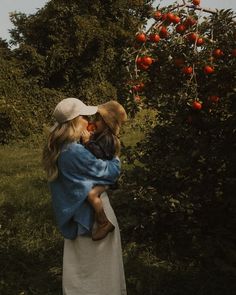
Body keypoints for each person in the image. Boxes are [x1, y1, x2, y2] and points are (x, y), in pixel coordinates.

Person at [42, 97, 127, 295]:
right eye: (84, 116)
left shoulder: (58, 149)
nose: (88, 119)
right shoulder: (75, 152)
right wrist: (115, 158)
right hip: (91, 219)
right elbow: (111, 171)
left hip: (75, 216)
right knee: (101, 272)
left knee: (80, 272)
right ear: (75, 121)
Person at [81, 100, 127, 241]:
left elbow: (101, 154)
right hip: (102, 174)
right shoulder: (101, 135)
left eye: (99, 120)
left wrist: (88, 142)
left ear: (108, 124)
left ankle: (104, 223)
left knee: (91, 195)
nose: (95, 122)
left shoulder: (108, 138)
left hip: (107, 176)